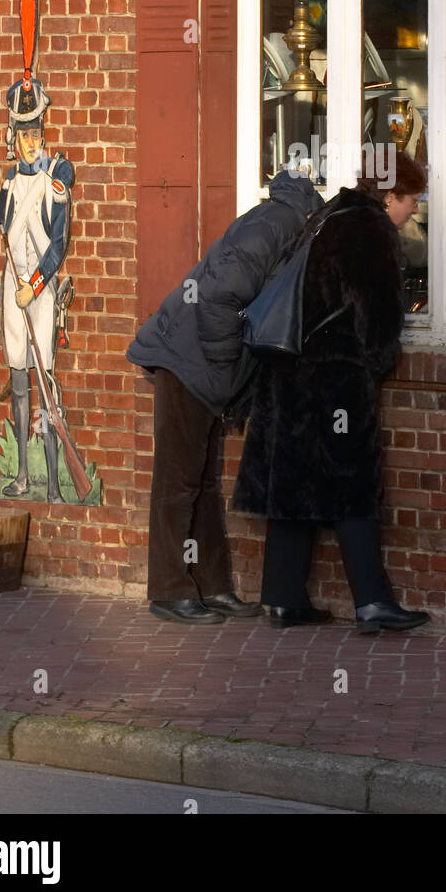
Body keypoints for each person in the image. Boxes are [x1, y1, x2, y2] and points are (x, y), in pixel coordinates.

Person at [233, 150, 431, 634]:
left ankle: (282, 598)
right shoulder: (370, 232)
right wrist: (378, 364)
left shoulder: (328, 217)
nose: (416, 211)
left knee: (295, 485)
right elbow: (377, 319)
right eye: (412, 200)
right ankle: (372, 603)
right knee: (352, 485)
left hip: (289, 373)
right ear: (389, 197)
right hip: (336, 379)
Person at [127, 168, 324, 624]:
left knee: (204, 481)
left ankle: (212, 588)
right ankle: (169, 591)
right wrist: (223, 371)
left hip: (199, 364)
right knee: (177, 482)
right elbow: (216, 298)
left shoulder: (284, 225)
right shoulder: (273, 225)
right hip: (184, 361)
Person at [0, 51, 74, 505]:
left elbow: (58, 245)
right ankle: (21, 476)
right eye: (24, 133)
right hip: (9, 295)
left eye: (36, 132)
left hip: (37, 292)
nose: (31, 141)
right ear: (13, 137)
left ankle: (54, 483)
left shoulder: (56, 180)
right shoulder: (12, 182)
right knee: (19, 382)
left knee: (46, 382)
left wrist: (33, 286)